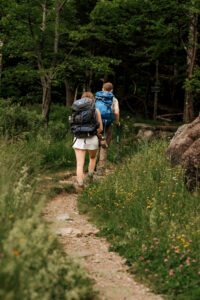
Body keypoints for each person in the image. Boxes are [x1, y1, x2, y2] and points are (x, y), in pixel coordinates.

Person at [72, 91, 103, 189]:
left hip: (78, 139)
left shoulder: (76, 110)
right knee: (93, 157)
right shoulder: (96, 110)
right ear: (92, 100)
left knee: (79, 164)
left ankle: (80, 184)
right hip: (92, 139)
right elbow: (101, 128)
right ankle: (90, 174)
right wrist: (97, 134)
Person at [96, 82, 120, 173]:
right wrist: (117, 122)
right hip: (108, 124)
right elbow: (116, 113)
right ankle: (101, 169)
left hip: (97, 124)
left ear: (102, 89)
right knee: (104, 145)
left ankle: (92, 166)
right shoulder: (114, 99)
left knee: (96, 143)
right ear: (112, 90)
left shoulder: (97, 98)